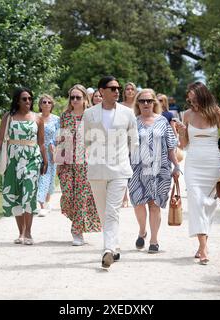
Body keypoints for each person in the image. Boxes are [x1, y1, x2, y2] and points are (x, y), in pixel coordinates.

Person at [83, 75, 139, 268]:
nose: (117, 91)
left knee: (112, 210)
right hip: (97, 168)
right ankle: (114, 246)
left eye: (118, 88)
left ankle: (107, 249)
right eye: (112, 88)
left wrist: (135, 162)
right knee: (103, 212)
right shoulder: (89, 114)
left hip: (120, 169)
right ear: (101, 91)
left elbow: (135, 140)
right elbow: (85, 140)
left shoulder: (127, 113)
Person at [176, 82, 220, 265]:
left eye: (195, 99)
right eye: (190, 99)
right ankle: (204, 248)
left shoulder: (218, 113)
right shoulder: (187, 115)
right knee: (196, 202)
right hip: (193, 164)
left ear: (203, 96)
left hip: (212, 162)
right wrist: (182, 133)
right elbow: (183, 146)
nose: (192, 103)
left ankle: (201, 246)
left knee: (209, 205)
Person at [0, 87, 48, 246]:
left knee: (29, 193)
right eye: (24, 99)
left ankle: (29, 232)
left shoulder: (37, 118)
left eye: (30, 98)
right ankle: (21, 232)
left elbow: (41, 142)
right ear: (17, 100)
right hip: (13, 160)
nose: (28, 101)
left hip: (32, 158)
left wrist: (46, 161)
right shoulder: (8, 117)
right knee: (16, 194)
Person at [128, 89, 180, 253]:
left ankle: (154, 240)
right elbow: (125, 147)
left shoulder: (163, 121)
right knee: (138, 203)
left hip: (161, 170)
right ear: (138, 103)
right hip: (137, 169)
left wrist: (176, 166)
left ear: (154, 103)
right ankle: (142, 231)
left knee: (155, 204)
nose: (145, 104)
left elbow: (171, 147)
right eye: (142, 101)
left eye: (149, 101)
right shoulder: (133, 122)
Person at [57, 84, 101, 246]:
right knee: (68, 194)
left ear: (84, 99)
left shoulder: (92, 116)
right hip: (68, 160)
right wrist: (59, 162)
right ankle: (77, 224)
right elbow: (62, 139)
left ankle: (77, 231)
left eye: (78, 97)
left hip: (86, 161)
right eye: (72, 97)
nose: (75, 100)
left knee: (82, 196)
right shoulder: (65, 116)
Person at [36, 94, 60, 217]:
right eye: (44, 102)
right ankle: (41, 205)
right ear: (40, 105)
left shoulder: (56, 119)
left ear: (52, 105)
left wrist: (54, 145)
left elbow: (59, 135)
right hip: (37, 151)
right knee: (42, 177)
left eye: (49, 102)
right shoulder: (35, 117)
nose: (46, 104)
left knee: (49, 179)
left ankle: (47, 202)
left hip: (51, 152)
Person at [120, 82, 137, 207]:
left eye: (132, 89)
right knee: (123, 168)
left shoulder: (139, 105)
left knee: (136, 167)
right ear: (124, 92)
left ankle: (135, 194)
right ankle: (124, 196)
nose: (130, 91)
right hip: (123, 139)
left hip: (137, 139)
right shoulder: (120, 106)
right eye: (127, 89)